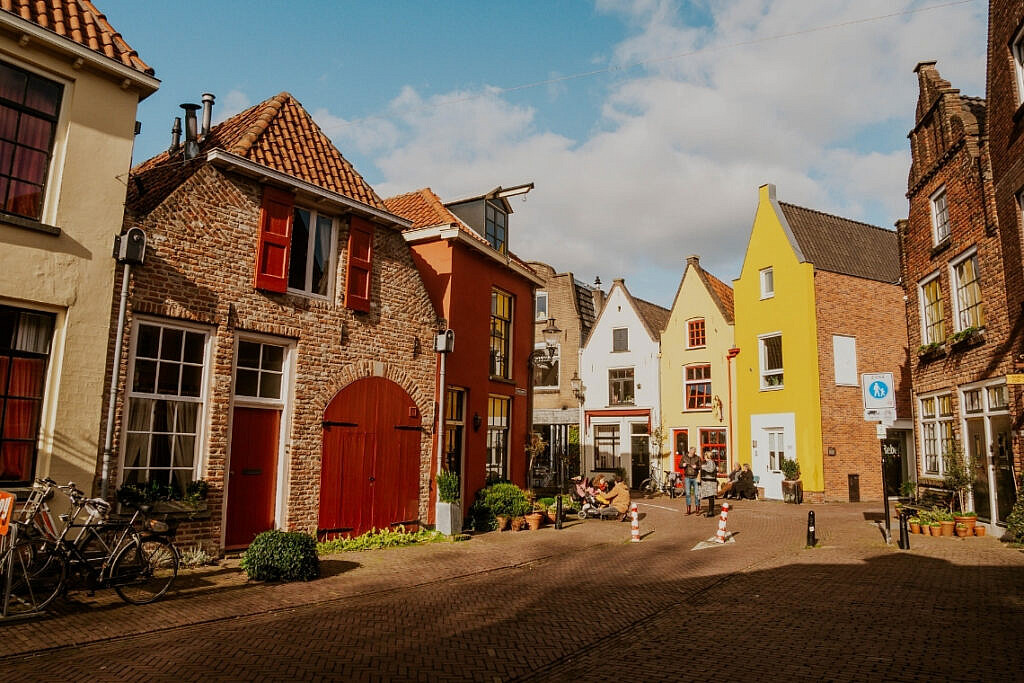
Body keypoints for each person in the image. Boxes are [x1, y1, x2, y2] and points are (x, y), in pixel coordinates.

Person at [681, 446, 701, 515]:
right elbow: (680, 465)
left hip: (695, 477)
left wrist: (696, 467)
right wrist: (682, 465)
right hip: (687, 477)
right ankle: (688, 510)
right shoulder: (684, 457)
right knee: (688, 494)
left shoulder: (697, 458)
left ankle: (697, 509)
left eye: (694, 452)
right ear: (689, 451)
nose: (693, 453)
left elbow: (701, 466)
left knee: (696, 494)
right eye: (692, 452)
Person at [699, 451, 719, 518]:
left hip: (710, 483)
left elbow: (710, 470)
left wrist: (703, 467)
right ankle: (710, 511)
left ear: (708, 456)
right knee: (710, 497)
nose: (704, 456)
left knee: (711, 497)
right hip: (708, 482)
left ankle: (711, 512)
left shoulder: (710, 462)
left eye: (705, 455)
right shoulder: (708, 462)